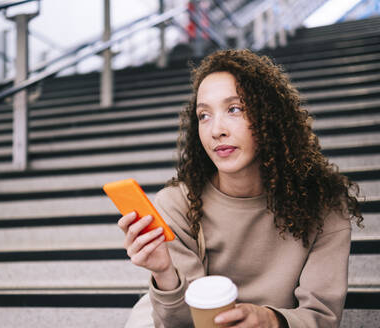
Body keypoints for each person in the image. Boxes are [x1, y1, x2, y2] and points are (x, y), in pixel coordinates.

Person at [118, 49, 363, 328]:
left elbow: (322, 316)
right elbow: (181, 323)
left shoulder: (324, 203)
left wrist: (270, 320)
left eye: (234, 109)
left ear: (269, 116)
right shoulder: (178, 203)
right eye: (204, 115)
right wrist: (164, 273)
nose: (216, 130)